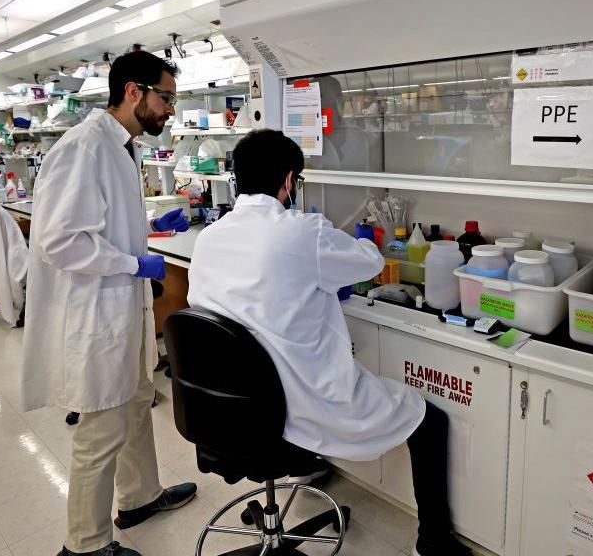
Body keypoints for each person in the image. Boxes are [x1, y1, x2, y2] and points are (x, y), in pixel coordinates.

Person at [187, 129, 473, 556]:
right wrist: (356, 241)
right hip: (293, 406)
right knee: (427, 421)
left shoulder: (208, 238)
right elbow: (370, 261)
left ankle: (305, 465)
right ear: (288, 181)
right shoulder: (302, 231)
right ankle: (433, 542)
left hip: (225, 413)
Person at [21, 50, 196, 556]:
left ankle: (139, 498)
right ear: (134, 91)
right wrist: (133, 263)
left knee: (137, 402)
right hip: (97, 311)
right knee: (101, 428)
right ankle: (86, 544)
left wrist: (145, 234)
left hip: (123, 305)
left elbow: (101, 222)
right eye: (166, 98)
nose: (170, 111)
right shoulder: (85, 147)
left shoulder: (123, 145)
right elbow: (60, 240)